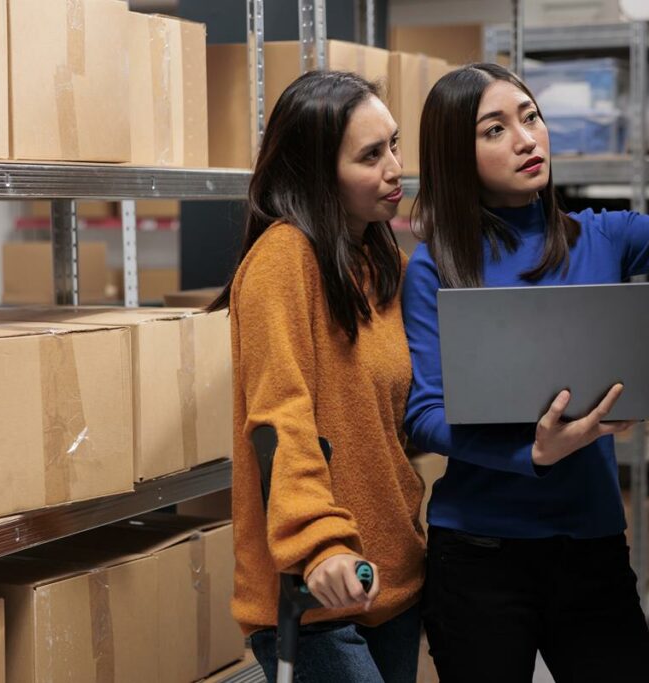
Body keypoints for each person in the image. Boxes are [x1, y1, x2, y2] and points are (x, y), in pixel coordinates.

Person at [403, 62, 649, 682]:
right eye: (495, 130)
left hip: (590, 545)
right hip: (479, 554)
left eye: (530, 117)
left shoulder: (604, 236)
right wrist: (531, 453)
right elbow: (424, 417)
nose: (527, 139)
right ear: (457, 154)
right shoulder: (435, 267)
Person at [207, 71, 424, 683]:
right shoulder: (283, 260)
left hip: (391, 578)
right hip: (316, 586)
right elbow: (280, 419)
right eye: (370, 155)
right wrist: (318, 543)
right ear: (316, 173)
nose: (394, 168)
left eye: (394, 145)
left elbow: (399, 417)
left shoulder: (381, 261)